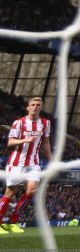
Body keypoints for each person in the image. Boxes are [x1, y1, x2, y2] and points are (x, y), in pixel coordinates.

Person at [0, 96, 51, 234]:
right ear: (28, 107)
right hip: (17, 163)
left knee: (32, 191)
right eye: (33, 104)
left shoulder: (46, 123)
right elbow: (10, 143)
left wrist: (51, 160)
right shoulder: (19, 123)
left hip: (33, 164)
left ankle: (12, 222)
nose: (35, 107)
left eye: (38, 105)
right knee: (10, 193)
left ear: (41, 107)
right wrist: (25, 140)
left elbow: (45, 142)